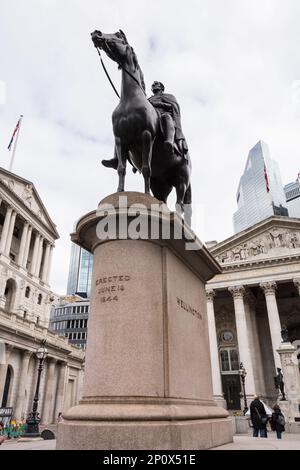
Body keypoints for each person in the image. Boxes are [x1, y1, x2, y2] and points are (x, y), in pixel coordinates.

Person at [102, 81, 189, 169]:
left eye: (156, 84)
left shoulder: (168, 96)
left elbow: (172, 106)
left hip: (162, 116)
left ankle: (169, 141)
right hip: (150, 119)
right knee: (123, 129)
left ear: (162, 88)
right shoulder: (148, 100)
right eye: (152, 85)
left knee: (166, 117)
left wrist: (156, 104)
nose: (154, 86)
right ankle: (117, 159)